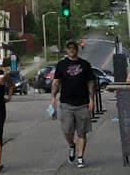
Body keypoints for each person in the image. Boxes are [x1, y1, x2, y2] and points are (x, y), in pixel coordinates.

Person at [50, 41, 95, 169]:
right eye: (69, 48)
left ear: (77, 50)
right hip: (66, 103)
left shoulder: (85, 65)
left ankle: (80, 157)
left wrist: (92, 100)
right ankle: (71, 145)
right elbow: (56, 82)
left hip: (82, 103)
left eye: (74, 48)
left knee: (82, 132)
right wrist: (53, 97)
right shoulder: (62, 65)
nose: (71, 50)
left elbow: (91, 83)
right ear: (66, 50)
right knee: (67, 129)